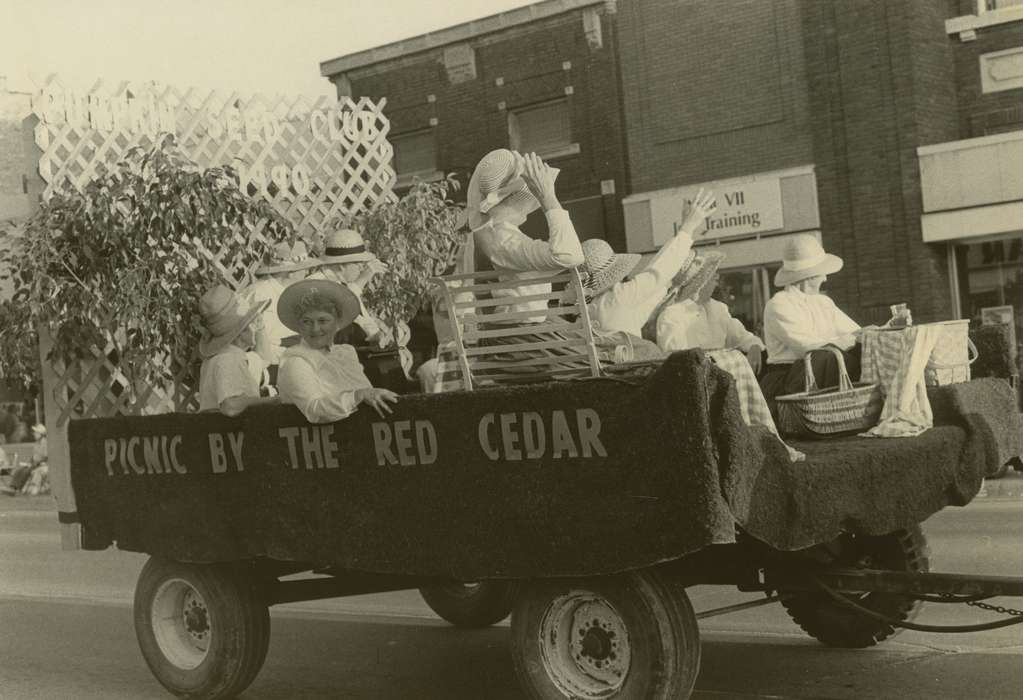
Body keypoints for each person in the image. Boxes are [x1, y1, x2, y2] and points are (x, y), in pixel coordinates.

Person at [577, 190, 717, 360]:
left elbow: (657, 284)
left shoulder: (586, 310)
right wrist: (687, 227)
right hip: (627, 371)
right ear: (615, 272)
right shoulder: (620, 297)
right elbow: (659, 271)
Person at [758, 234, 862, 409]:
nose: (825, 278)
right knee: (824, 356)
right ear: (809, 275)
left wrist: (872, 333)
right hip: (790, 381)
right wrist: (853, 338)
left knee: (861, 349)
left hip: (820, 372)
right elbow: (808, 348)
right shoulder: (779, 304)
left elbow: (854, 332)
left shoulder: (823, 302)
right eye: (822, 272)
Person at [276, 278, 399, 423]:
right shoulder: (296, 360)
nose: (315, 329)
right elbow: (314, 409)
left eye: (323, 321)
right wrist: (358, 396)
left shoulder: (345, 353)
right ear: (299, 326)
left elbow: (367, 394)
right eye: (307, 322)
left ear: (337, 324)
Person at [653, 250, 765, 374]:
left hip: (720, 378)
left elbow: (742, 336)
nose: (717, 276)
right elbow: (678, 359)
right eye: (712, 273)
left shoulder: (718, 308)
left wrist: (754, 346)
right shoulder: (671, 315)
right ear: (701, 282)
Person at [197, 284, 279, 416]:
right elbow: (231, 406)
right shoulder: (229, 360)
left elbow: (264, 359)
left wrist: (260, 328)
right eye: (252, 320)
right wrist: (275, 401)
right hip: (227, 432)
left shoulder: (228, 355)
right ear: (240, 331)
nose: (256, 324)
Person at [307, 229, 389, 348]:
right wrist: (363, 278)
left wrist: (375, 329)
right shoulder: (315, 284)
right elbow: (341, 310)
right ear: (341, 266)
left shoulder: (341, 283)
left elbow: (358, 317)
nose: (361, 268)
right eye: (358, 264)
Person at [243, 240, 315, 370]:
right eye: (304, 270)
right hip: (263, 367)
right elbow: (258, 345)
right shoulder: (262, 295)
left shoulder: (288, 292)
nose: (306, 274)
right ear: (291, 272)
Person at [2, 424, 47, 496]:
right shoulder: (37, 443)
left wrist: (36, 462)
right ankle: (12, 487)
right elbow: (34, 456)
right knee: (19, 470)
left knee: (26, 471)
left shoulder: (44, 442)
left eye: (36, 432)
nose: (34, 434)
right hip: (34, 463)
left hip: (41, 463)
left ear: (40, 434)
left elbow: (45, 456)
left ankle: (17, 489)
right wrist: (29, 462)